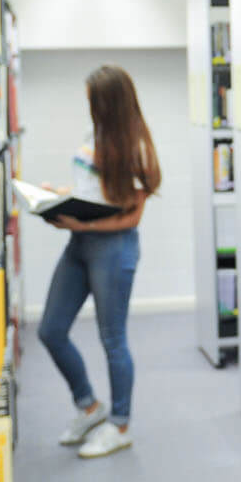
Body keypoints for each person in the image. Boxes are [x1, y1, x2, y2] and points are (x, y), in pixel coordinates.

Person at [37, 65, 161, 460]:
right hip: (79, 243)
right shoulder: (95, 136)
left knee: (112, 339)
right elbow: (92, 190)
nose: (87, 103)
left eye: (92, 98)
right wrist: (59, 196)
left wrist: (80, 222)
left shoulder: (136, 147)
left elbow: (132, 216)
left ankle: (120, 424)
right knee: (51, 330)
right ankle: (90, 407)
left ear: (107, 103)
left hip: (114, 249)